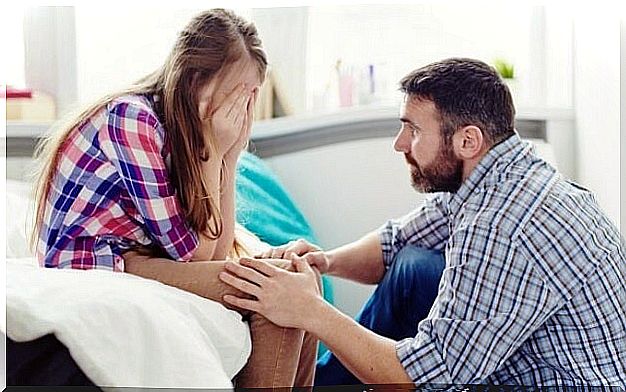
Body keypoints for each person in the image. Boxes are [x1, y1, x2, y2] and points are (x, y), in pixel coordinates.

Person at [219, 58, 626, 388]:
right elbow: (395, 243)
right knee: (412, 265)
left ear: (467, 140)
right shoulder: (499, 175)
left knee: (397, 349)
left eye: (412, 130)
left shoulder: (499, 225)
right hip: (540, 355)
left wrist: (308, 311)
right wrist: (324, 262)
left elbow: (418, 377)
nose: (399, 144)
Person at [31, 9, 317, 389]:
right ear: (197, 79)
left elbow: (215, 251)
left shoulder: (182, 132)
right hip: (99, 260)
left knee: (302, 282)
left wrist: (229, 159)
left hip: (140, 256)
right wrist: (216, 151)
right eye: (236, 94)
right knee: (275, 293)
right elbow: (193, 255)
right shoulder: (132, 120)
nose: (242, 111)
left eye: (250, 97)